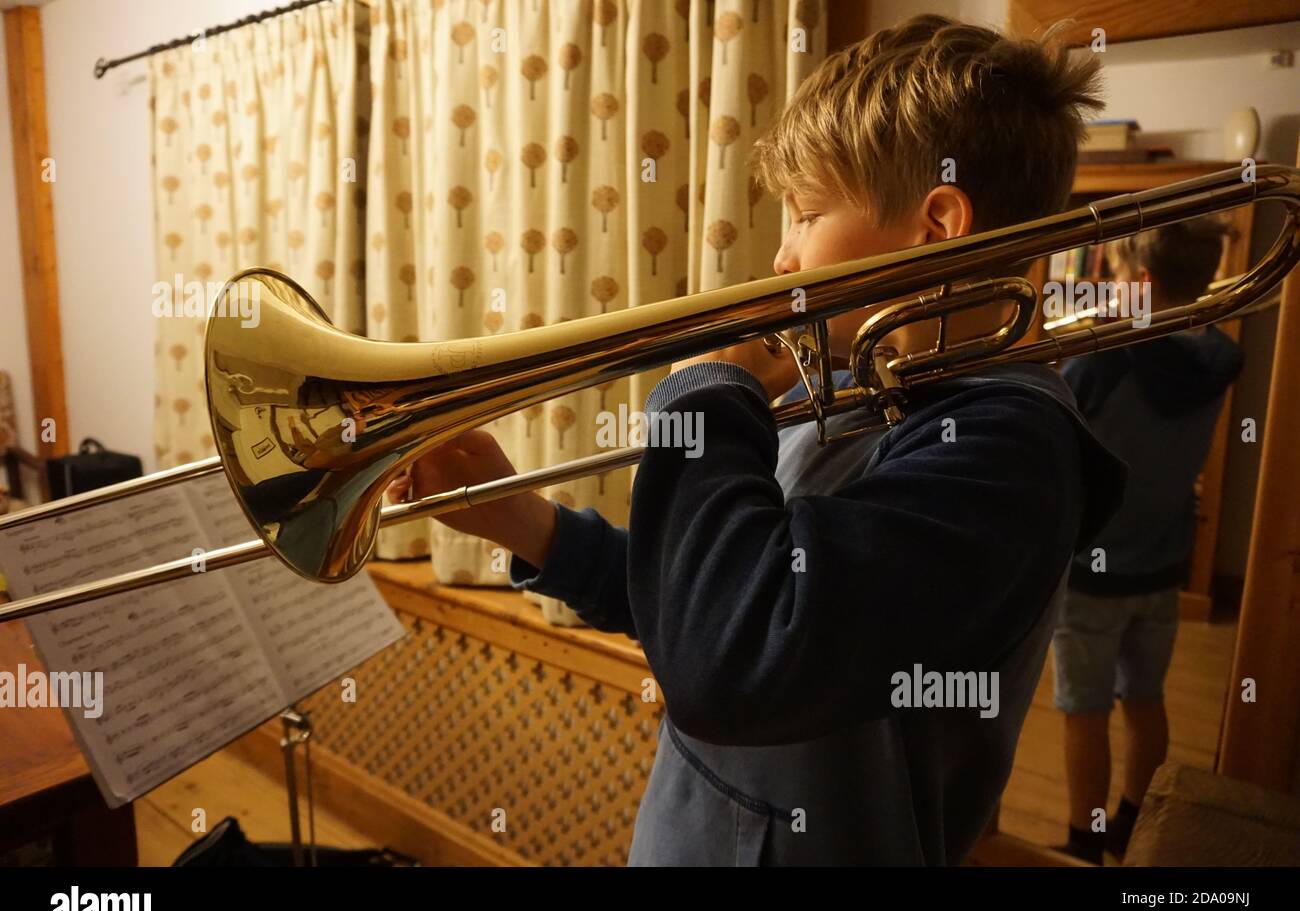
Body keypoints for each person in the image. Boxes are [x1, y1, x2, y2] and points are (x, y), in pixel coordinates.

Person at [390, 14, 1125, 865]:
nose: (781, 259)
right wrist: (524, 524)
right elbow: (704, 594)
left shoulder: (1008, 455)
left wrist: (703, 394)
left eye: (805, 215)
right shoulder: (858, 382)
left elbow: (730, 653)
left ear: (939, 224)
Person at [1051, 219, 1243, 864]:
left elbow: (1054, 432)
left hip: (1089, 568)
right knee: (1144, 697)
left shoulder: (1102, 355)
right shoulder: (1218, 353)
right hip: (1164, 561)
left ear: (1143, 280)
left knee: (1084, 709)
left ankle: (1083, 840)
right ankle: (1133, 820)